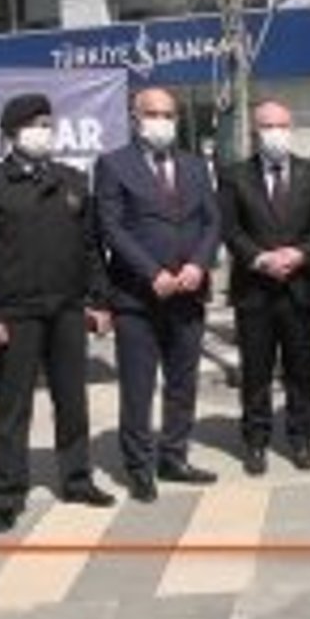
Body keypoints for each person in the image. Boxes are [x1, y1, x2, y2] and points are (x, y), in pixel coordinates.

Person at [0, 93, 117, 533]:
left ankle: (77, 479)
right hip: (15, 314)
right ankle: (6, 494)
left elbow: (90, 247)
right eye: (35, 125)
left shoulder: (72, 180)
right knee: (13, 408)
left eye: (48, 124)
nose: (44, 133)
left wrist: (99, 300)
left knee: (72, 401)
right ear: (13, 132)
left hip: (67, 309)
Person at [96, 87, 222, 503]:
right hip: (137, 298)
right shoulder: (113, 165)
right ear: (135, 118)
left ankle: (174, 456)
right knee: (138, 387)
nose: (162, 122)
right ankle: (139, 467)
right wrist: (152, 272)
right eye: (153, 114)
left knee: (182, 383)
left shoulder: (195, 165)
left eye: (169, 115)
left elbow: (212, 221)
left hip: (188, 293)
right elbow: (112, 227)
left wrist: (198, 264)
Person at [217, 100, 310, 476]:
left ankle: (301, 438)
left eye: (281, 125)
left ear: (291, 127)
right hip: (254, 290)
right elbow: (229, 228)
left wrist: (301, 254)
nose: (275, 133)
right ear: (255, 131)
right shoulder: (234, 175)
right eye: (267, 126)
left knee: (301, 371)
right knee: (256, 372)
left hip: (300, 288)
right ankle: (256, 440)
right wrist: (260, 258)